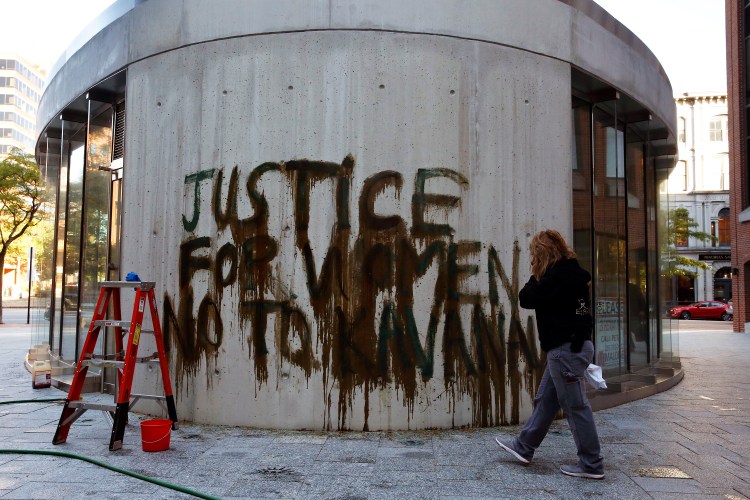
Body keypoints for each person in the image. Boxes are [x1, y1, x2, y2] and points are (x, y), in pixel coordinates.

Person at [495, 229, 604, 480]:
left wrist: (536, 273)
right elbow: (583, 312)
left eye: (535, 253)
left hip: (565, 350)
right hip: (574, 347)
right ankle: (524, 446)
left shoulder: (554, 279)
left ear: (542, 253)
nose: (532, 257)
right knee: (546, 399)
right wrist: (580, 343)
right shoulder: (574, 275)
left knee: (576, 407)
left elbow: (526, 298)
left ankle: (591, 463)